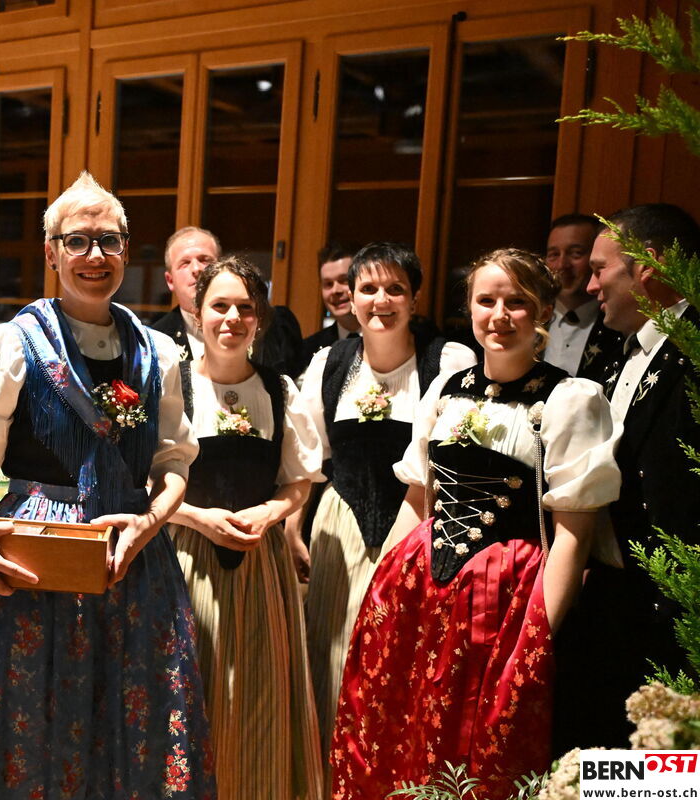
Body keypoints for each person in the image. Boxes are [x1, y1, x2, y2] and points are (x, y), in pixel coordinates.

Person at [0, 172, 214, 798]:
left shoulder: (159, 353)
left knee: (136, 737)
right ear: (51, 253)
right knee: (31, 738)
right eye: (78, 241)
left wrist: (149, 522)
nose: (95, 255)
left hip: (134, 570)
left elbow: (174, 465)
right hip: (37, 568)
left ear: (126, 251)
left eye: (108, 241)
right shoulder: (8, 345)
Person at [329, 248, 620, 798]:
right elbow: (418, 498)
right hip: (422, 591)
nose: (499, 315)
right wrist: (378, 598)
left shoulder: (569, 401)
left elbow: (572, 536)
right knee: (405, 735)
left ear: (543, 312)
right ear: (470, 308)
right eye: (486, 301)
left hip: (505, 602)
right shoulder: (446, 390)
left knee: (479, 747)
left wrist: (536, 639)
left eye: (517, 302)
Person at [299, 243, 475, 772]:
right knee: (333, 660)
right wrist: (290, 532)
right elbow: (307, 460)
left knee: (399, 662)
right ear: (350, 299)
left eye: (395, 289)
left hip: (422, 529)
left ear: (415, 299)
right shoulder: (329, 365)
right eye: (369, 289)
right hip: (340, 528)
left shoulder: (448, 361)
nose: (381, 300)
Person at [165, 256, 322, 799]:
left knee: (255, 695)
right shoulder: (173, 386)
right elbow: (144, 484)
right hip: (184, 561)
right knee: (187, 691)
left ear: (260, 319)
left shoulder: (279, 391)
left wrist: (270, 513)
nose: (232, 318)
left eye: (245, 308)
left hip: (260, 566)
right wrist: (196, 518)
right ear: (197, 312)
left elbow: (298, 481)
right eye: (220, 306)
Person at [555, 203, 700, 748]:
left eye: (600, 269)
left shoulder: (696, 350)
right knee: (598, 759)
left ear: (649, 265)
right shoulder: (616, 354)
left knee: (663, 771)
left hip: (675, 604)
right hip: (611, 597)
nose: (590, 284)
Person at [153, 225, 306, 378]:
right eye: (185, 263)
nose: (196, 269)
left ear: (222, 267)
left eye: (204, 260)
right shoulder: (156, 339)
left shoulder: (276, 325)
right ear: (170, 280)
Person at [543, 213, 622, 381]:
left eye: (576, 253)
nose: (562, 265)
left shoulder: (618, 325)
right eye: (554, 254)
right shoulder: (531, 320)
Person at [296, 241, 361, 376]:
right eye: (328, 284)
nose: (335, 290)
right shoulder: (308, 348)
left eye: (344, 280)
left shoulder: (387, 340)